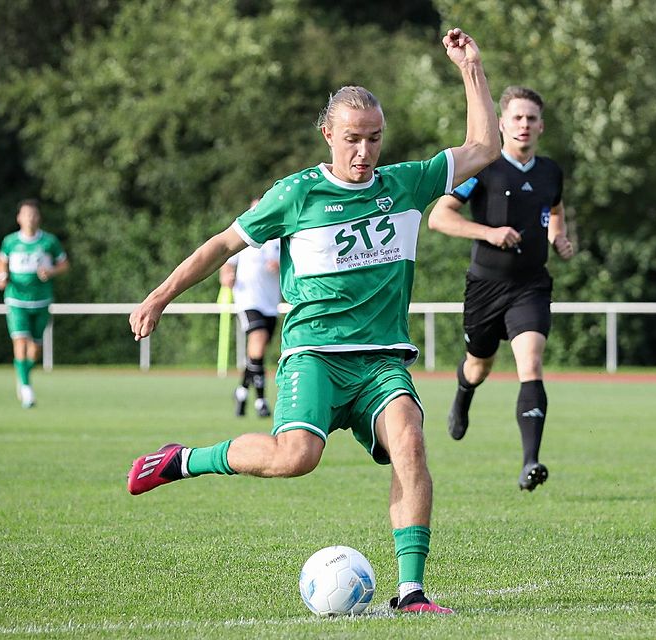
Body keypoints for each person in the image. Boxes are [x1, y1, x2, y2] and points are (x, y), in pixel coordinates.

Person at [126, 28, 500, 614]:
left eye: (374, 139)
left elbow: (482, 147)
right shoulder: (295, 195)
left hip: (381, 359)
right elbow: (222, 244)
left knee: (409, 440)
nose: (364, 152)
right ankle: (182, 459)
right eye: (353, 139)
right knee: (294, 457)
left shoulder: (406, 183)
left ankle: (412, 592)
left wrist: (471, 69)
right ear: (328, 134)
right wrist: (160, 296)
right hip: (315, 355)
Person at [426, 85, 573, 492]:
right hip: (486, 287)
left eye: (531, 118)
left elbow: (556, 210)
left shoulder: (550, 172)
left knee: (531, 362)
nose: (524, 125)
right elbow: (439, 218)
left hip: (531, 284)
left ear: (541, 126)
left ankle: (530, 462)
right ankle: (463, 391)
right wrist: (489, 233)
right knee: (480, 366)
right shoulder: (483, 170)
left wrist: (559, 237)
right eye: (517, 118)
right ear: (503, 124)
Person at [0, 199, 69, 408]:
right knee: (20, 341)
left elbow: (64, 264)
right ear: (19, 218)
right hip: (16, 299)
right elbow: (1, 262)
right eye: (26, 214)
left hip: (41, 300)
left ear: (39, 217)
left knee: (35, 349)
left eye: (34, 214)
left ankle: (22, 374)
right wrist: (2, 276)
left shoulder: (49, 242)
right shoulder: (10, 241)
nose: (30, 218)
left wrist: (51, 271)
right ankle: (26, 388)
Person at [218, 198, 281, 418]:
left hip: (270, 304)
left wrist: (279, 266)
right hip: (247, 300)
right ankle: (261, 401)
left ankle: (241, 392)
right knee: (258, 343)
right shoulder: (244, 234)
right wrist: (226, 275)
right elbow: (226, 259)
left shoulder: (278, 238)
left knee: (256, 352)